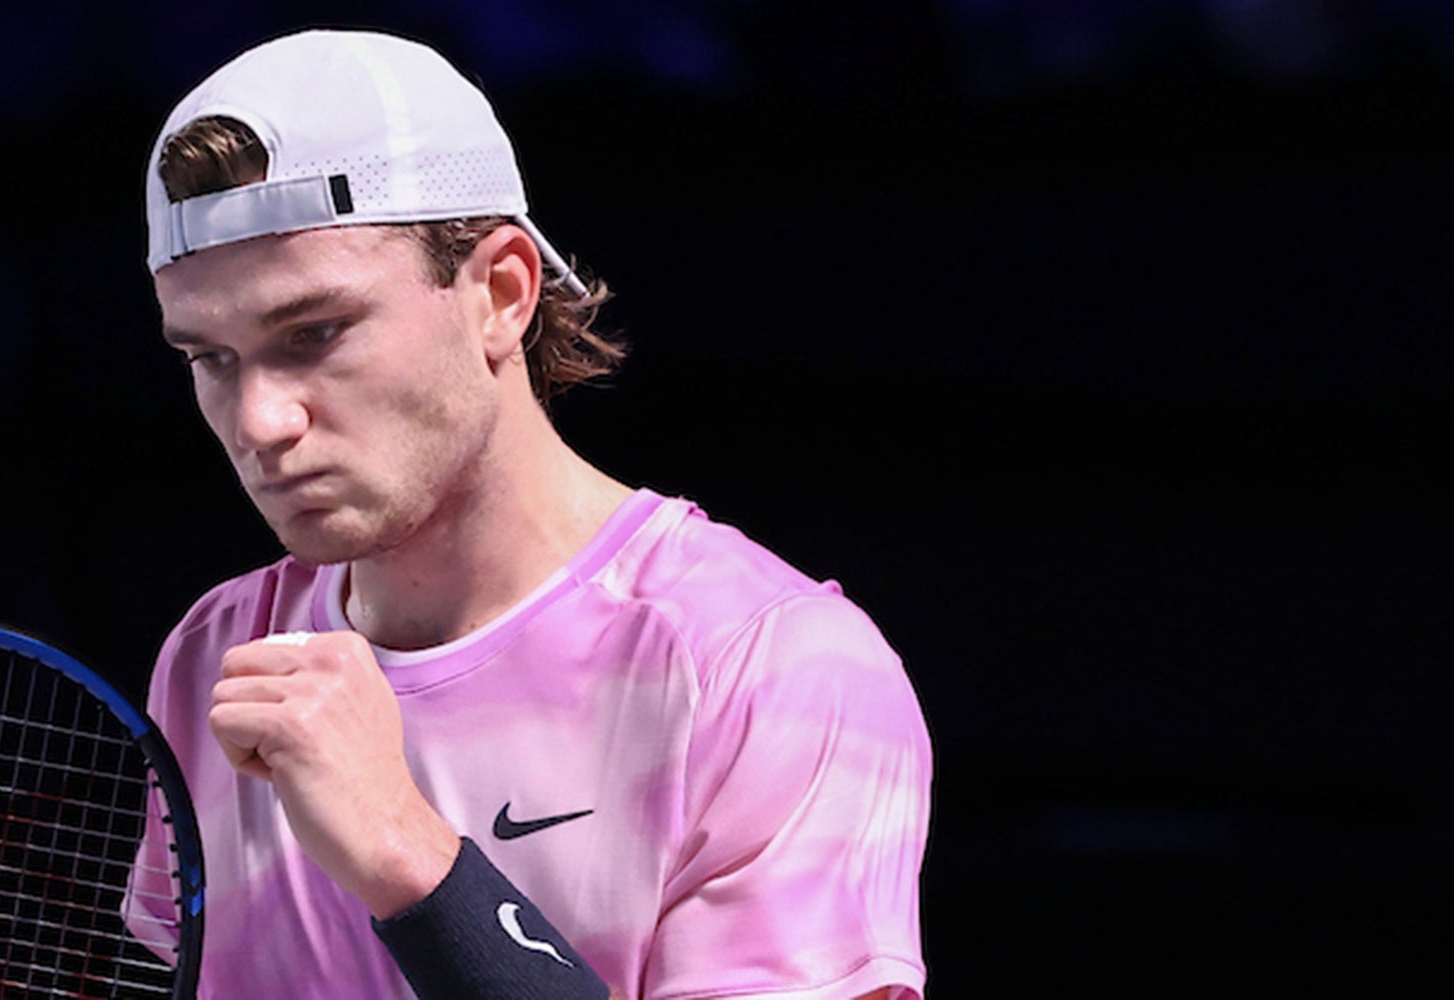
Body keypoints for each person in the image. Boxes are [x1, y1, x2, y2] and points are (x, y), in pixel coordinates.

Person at [122, 29, 933, 1000]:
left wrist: (407, 856)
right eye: (209, 358)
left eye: (315, 332)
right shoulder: (215, 654)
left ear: (501, 293)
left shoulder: (769, 667)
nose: (260, 421)